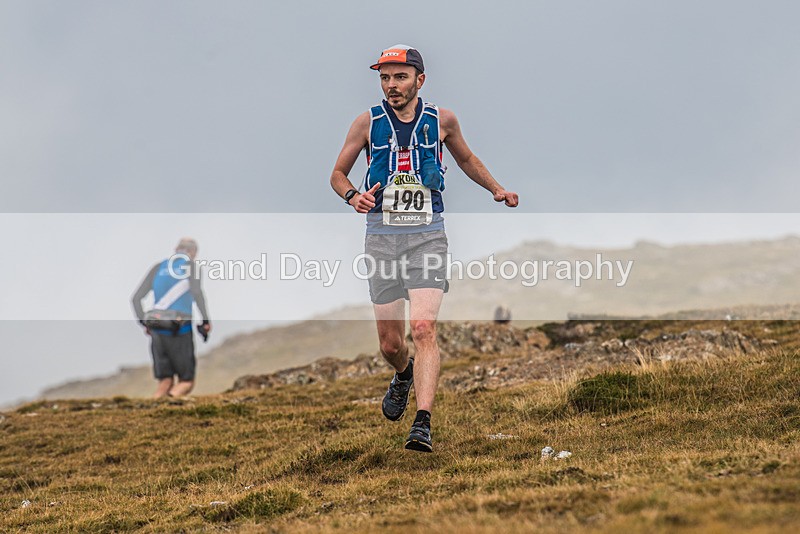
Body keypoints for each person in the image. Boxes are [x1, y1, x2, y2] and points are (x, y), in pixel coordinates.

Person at [330, 45, 519, 452]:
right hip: (381, 236)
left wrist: (496, 189)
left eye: (400, 77)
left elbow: (466, 159)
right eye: (385, 78)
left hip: (427, 234)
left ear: (420, 79)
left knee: (423, 328)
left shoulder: (442, 120)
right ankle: (403, 374)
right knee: (391, 344)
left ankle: (422, 423)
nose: (391, 85)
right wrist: (352, 196)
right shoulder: (366, 123)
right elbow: (338, 174)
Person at [131, 238, 211, 398]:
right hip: (180, 328)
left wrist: (144, 323)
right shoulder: (192, 267)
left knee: (165, 381)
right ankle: (172, 403)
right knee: (186, 381)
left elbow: (135, 298)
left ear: (176, 249)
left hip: (157, 328)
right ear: (193, 252)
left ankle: (153, 409)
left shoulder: (158, 267)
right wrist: (206, 320)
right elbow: (197, 293)